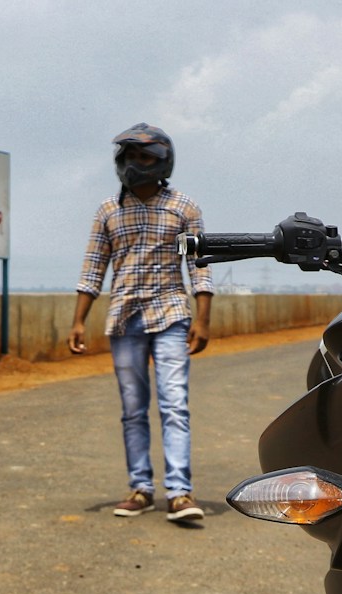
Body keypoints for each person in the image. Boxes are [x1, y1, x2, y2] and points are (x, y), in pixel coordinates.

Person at [69, 123, 214, 523]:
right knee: (132, 408)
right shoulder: (108, 211)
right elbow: (93, 267)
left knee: (174, 405)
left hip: (170, 314)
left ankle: (180, 493)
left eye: (145, 157)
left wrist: (202, 320)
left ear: (162, 162)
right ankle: (140, 488)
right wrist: (78, 321)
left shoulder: (185, 208)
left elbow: (199, 266)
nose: (136, 165)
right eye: (130, 156)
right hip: (124, 319)